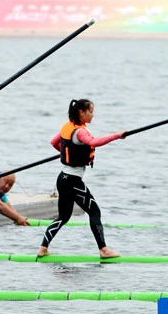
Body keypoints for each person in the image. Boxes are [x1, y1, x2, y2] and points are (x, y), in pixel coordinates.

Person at [38, 99, 125, 259]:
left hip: (63, 178)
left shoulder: (68, 126)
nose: (93, 115)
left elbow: (54, 142)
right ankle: (103, 250)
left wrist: (67, 153)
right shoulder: (80, 132)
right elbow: (93, 142)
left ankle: (43, 248)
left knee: (63, 216)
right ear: (81, 113)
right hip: (72, 180)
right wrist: (116, 136)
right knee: (95, 211)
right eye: (91, 111)